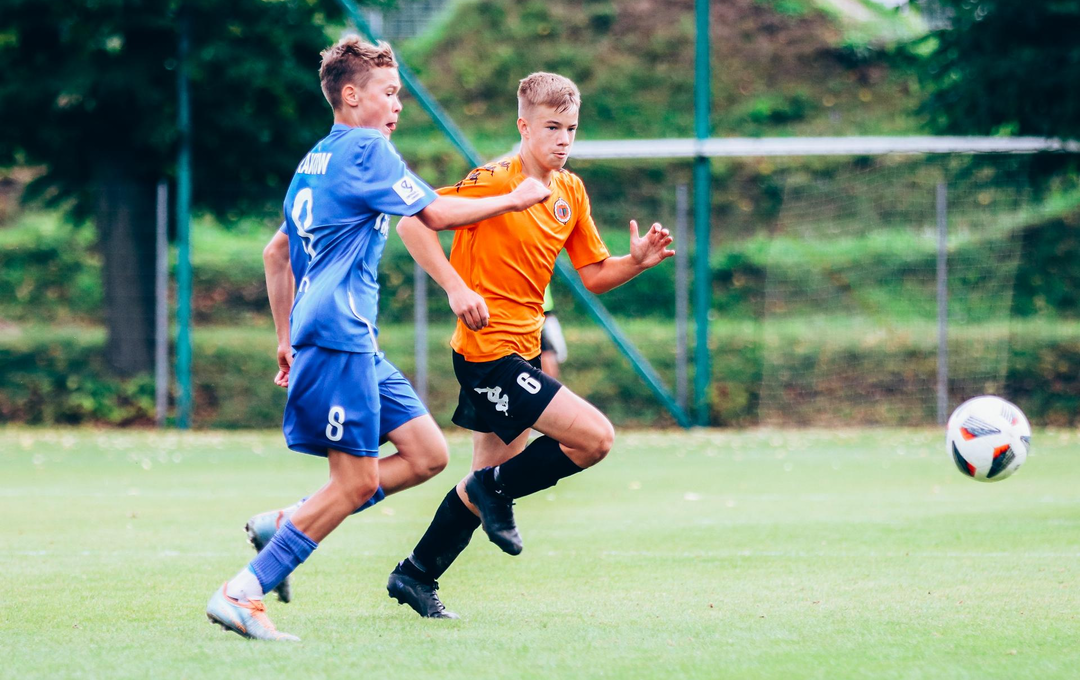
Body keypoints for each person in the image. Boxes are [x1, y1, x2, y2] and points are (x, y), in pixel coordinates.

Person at [204, 36, 550, 641]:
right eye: (388, 93)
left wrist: (285, 336)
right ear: (350, 95)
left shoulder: (314, 161)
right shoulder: (368, 148)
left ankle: (289, 521)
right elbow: (434, 215)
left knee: (427, 455)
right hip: (338, 335)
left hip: (343, 338)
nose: (397, 105)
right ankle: (244, 590)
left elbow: (276, 253)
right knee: (357, 482)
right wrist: (516, 197)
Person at [387, 72, 674, 619]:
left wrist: (636, 263)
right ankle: (492, 491)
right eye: (551, 128)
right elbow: (413, 225)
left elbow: (594, 274)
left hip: (523, 349)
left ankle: (415, 575)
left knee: (484, 483)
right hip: (486, 352)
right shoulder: (495, 180)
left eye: (571, 129)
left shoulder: (570, 191)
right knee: (594, 439)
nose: (563, 140)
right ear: (523, 126)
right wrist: (456, 288)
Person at [539, 286, 567, 379]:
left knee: (546, 351)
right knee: (546, 352)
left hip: (539, 312)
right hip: (537, 311)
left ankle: (549, 385)